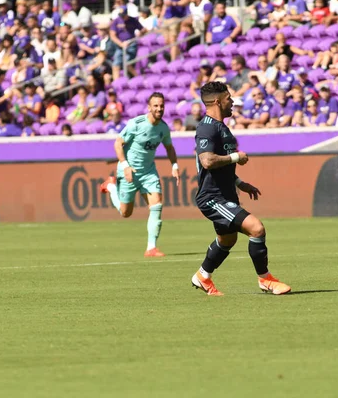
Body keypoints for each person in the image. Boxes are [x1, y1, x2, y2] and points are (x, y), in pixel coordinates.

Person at [191, 81, 291, 296]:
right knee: (256, 228)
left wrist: (239, 183)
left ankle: (202, 276)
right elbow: (207, 161)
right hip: (212, 197)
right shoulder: (207, 127)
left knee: (227, 240)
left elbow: (217, 166)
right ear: (217, 101)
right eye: (228, 98)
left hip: (226, 193)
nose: (232, 101)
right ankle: (265, 280)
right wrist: (236, 156)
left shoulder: (221, 127)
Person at [100, 93, 180, 257]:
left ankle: (151, 248)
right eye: (155, 106)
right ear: (149, 107)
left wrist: (175, 165)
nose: (159, 109)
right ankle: (110, 186)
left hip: (148, 172)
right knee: (125, 213)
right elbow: (118, 143)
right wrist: (125, 166)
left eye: (161, 106)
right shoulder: (136, 124)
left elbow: (169, 147)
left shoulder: (163, 128)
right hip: (128, 171)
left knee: (156, 206)